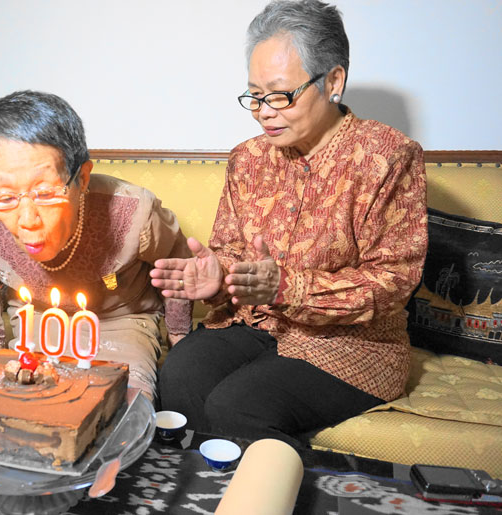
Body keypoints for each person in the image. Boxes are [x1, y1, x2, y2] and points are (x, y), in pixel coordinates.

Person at [150, 0, 427, 443]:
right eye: (254, 95)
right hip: (256, 324)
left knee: (237, 405)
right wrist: (216, 274)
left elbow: (393, 280)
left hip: (351, 344)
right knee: (182, 373)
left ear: (333, 81)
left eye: (279, 94)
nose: (263, 110)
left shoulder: (387, 156)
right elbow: (231, 251)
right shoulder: (247, 158)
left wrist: (287, 287)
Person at [0, 90, 192, 400]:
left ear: (82, 178)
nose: (28, 220)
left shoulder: (134, 212)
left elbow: (179, 267)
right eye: (5, 197)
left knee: (119, 416)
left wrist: (179, 341)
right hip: (38, 325)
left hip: (119, 323)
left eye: (45, 193)